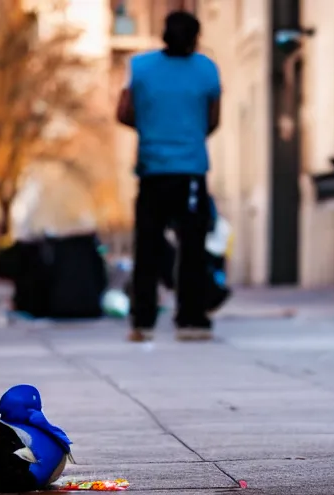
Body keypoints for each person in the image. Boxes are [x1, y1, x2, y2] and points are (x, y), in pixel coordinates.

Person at [116, 10, 221, 342]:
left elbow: (122, 112)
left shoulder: (140, 67)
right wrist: (187, 133)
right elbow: (213, 119)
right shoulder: (207, 69)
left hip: (152, 170)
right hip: (190, 170)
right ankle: (191, 319)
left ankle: (142, 321)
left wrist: (150, 127)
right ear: (195, 38)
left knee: (147, 247)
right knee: (192, 247)